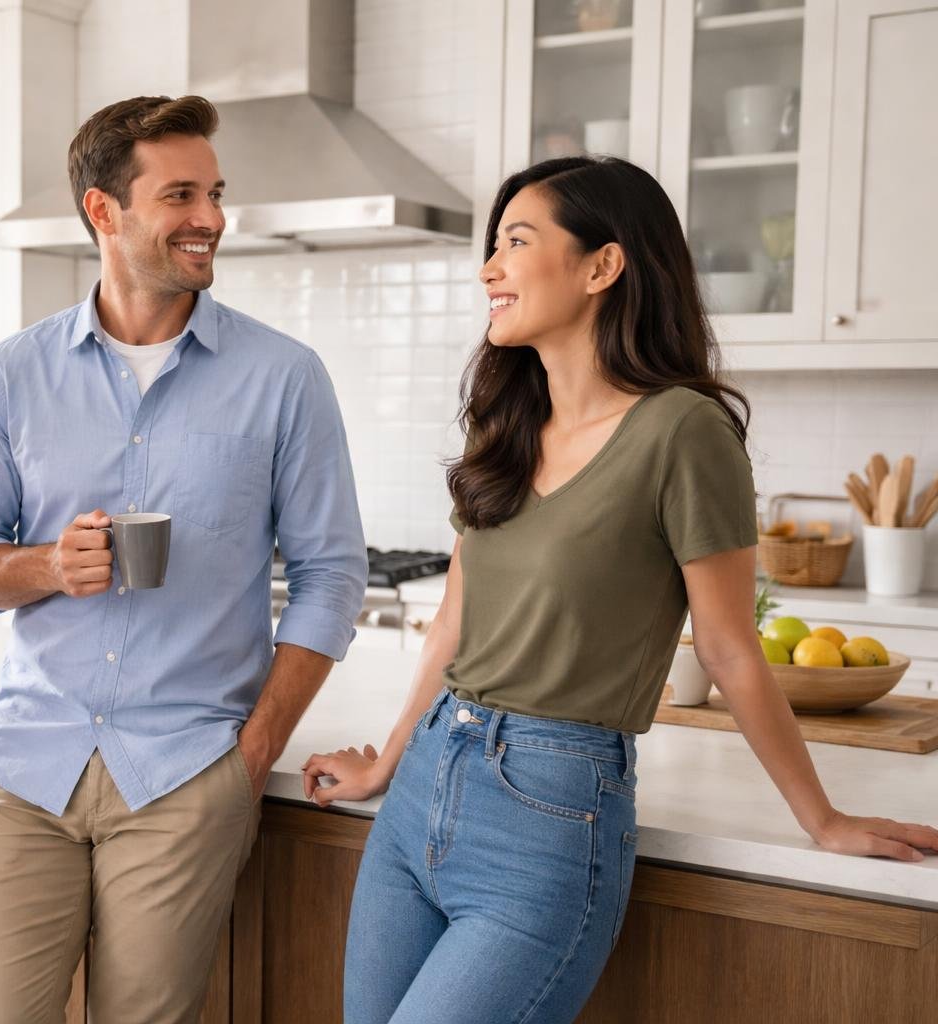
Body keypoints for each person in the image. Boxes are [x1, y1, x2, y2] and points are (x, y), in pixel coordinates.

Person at [302, 156, 938, 1024]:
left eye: (516, 243)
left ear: (602, 266)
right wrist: (389, 755)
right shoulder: (508, 421)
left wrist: (821, 819)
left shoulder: (684, 431)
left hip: (548, 813)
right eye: (491, 246)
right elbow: (453, 618)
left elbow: (726, 647)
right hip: (425, 789)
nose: (488, 268)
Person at [0, 94, 367, 1023]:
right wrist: (48, 567)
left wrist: (251, 759)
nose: (210, 218)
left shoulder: (283, 377)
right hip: (29, 766)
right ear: (104, 210)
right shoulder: (15, 371)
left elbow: (332, 576)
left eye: (215, 193)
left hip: (185, 775)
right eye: (180, 194)